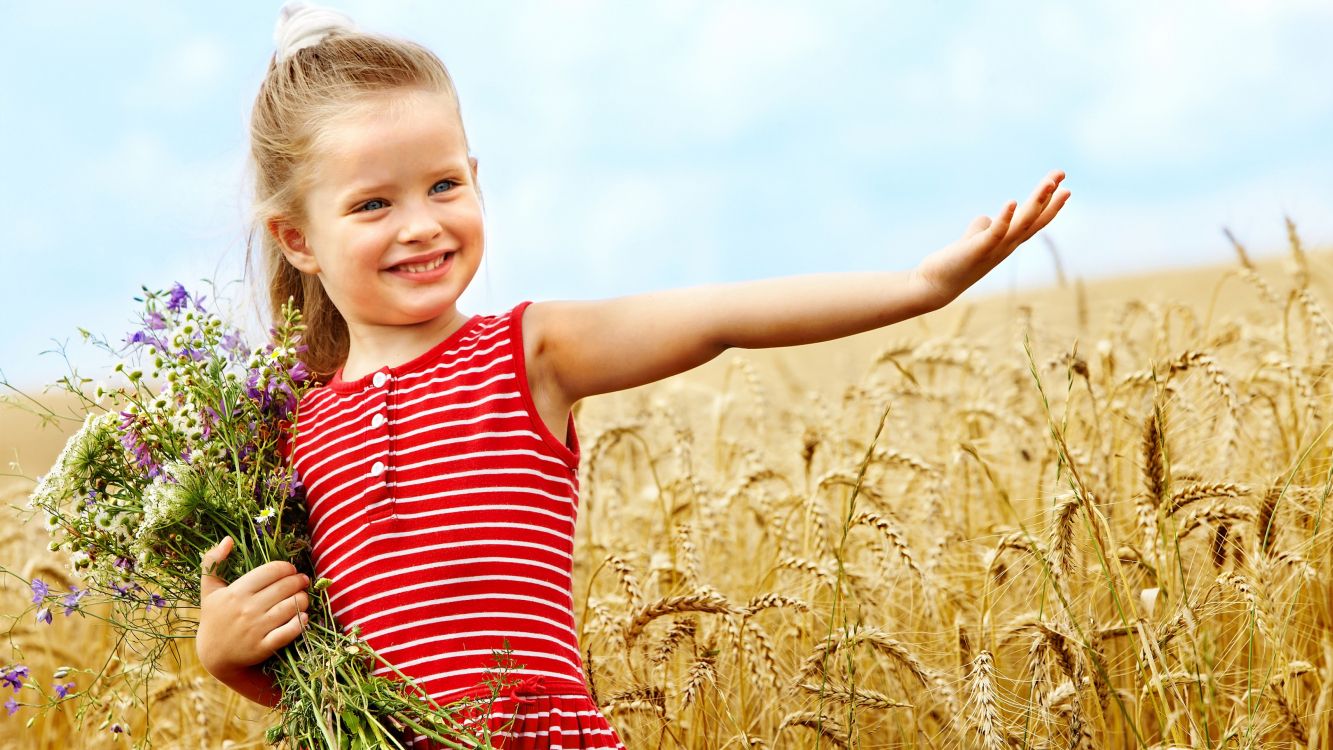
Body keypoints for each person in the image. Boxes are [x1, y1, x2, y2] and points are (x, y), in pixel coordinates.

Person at [193, 3, 1070, 748]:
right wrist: (228, 657)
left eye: (445, 185)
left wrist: (920, 287)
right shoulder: (285, 431)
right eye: (373, 204)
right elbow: (331, 694)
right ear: (297, 238)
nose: (421, 224)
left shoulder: (528, 352)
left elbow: (720, 318)